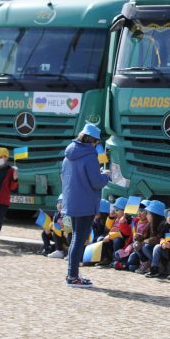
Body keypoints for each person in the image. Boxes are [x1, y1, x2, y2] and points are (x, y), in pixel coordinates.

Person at [60, 122, 110, 287]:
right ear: (93, 141)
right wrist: (105, 175)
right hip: (86, 202)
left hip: (72, 201)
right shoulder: (90, 156)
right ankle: (73, 276)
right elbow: (96, 182)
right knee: (79, 239)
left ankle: (72, 274)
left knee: (76, 237)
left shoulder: (69, 153)